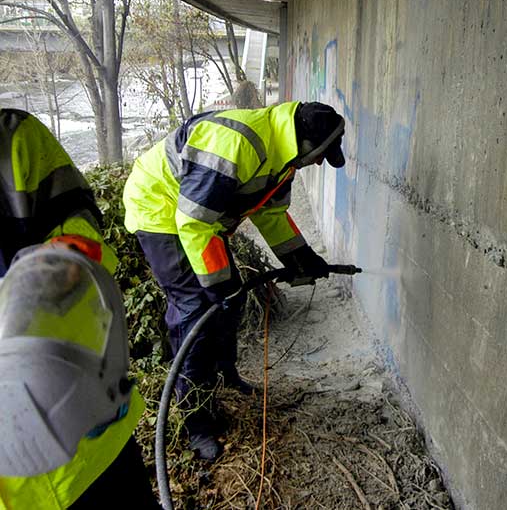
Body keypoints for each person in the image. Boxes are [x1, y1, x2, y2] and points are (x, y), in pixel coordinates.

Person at [123, 101, 346, 461]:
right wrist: (218, 287)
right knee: (197, 308)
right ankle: (197, 424)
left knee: (234, 296)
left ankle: (225, 376)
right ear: (305, 142)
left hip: (194, 218)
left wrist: (302, 259)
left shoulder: (282, 158)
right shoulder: (236, 143)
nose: (319, 162)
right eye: (320, 154)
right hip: (158, 209)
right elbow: (193, 223)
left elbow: (271, 215)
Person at [0, 109, 157, 509]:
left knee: (203, 302)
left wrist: (67, 261)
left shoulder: (13, 138)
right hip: (18, 486)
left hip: (87, 437)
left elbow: (78, 221)